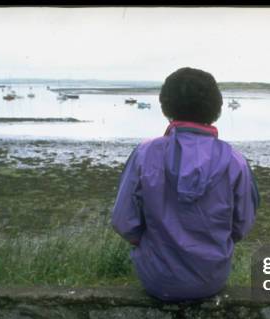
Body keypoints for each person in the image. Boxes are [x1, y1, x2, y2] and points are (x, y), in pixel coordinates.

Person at [111, 67, 259, 302]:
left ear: (165, 107)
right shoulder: (235, 160)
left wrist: (154, 245)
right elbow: (242, 224)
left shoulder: (145, 154)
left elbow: (123, 221)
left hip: (156, 279)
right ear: (217, 108)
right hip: (212, 278)